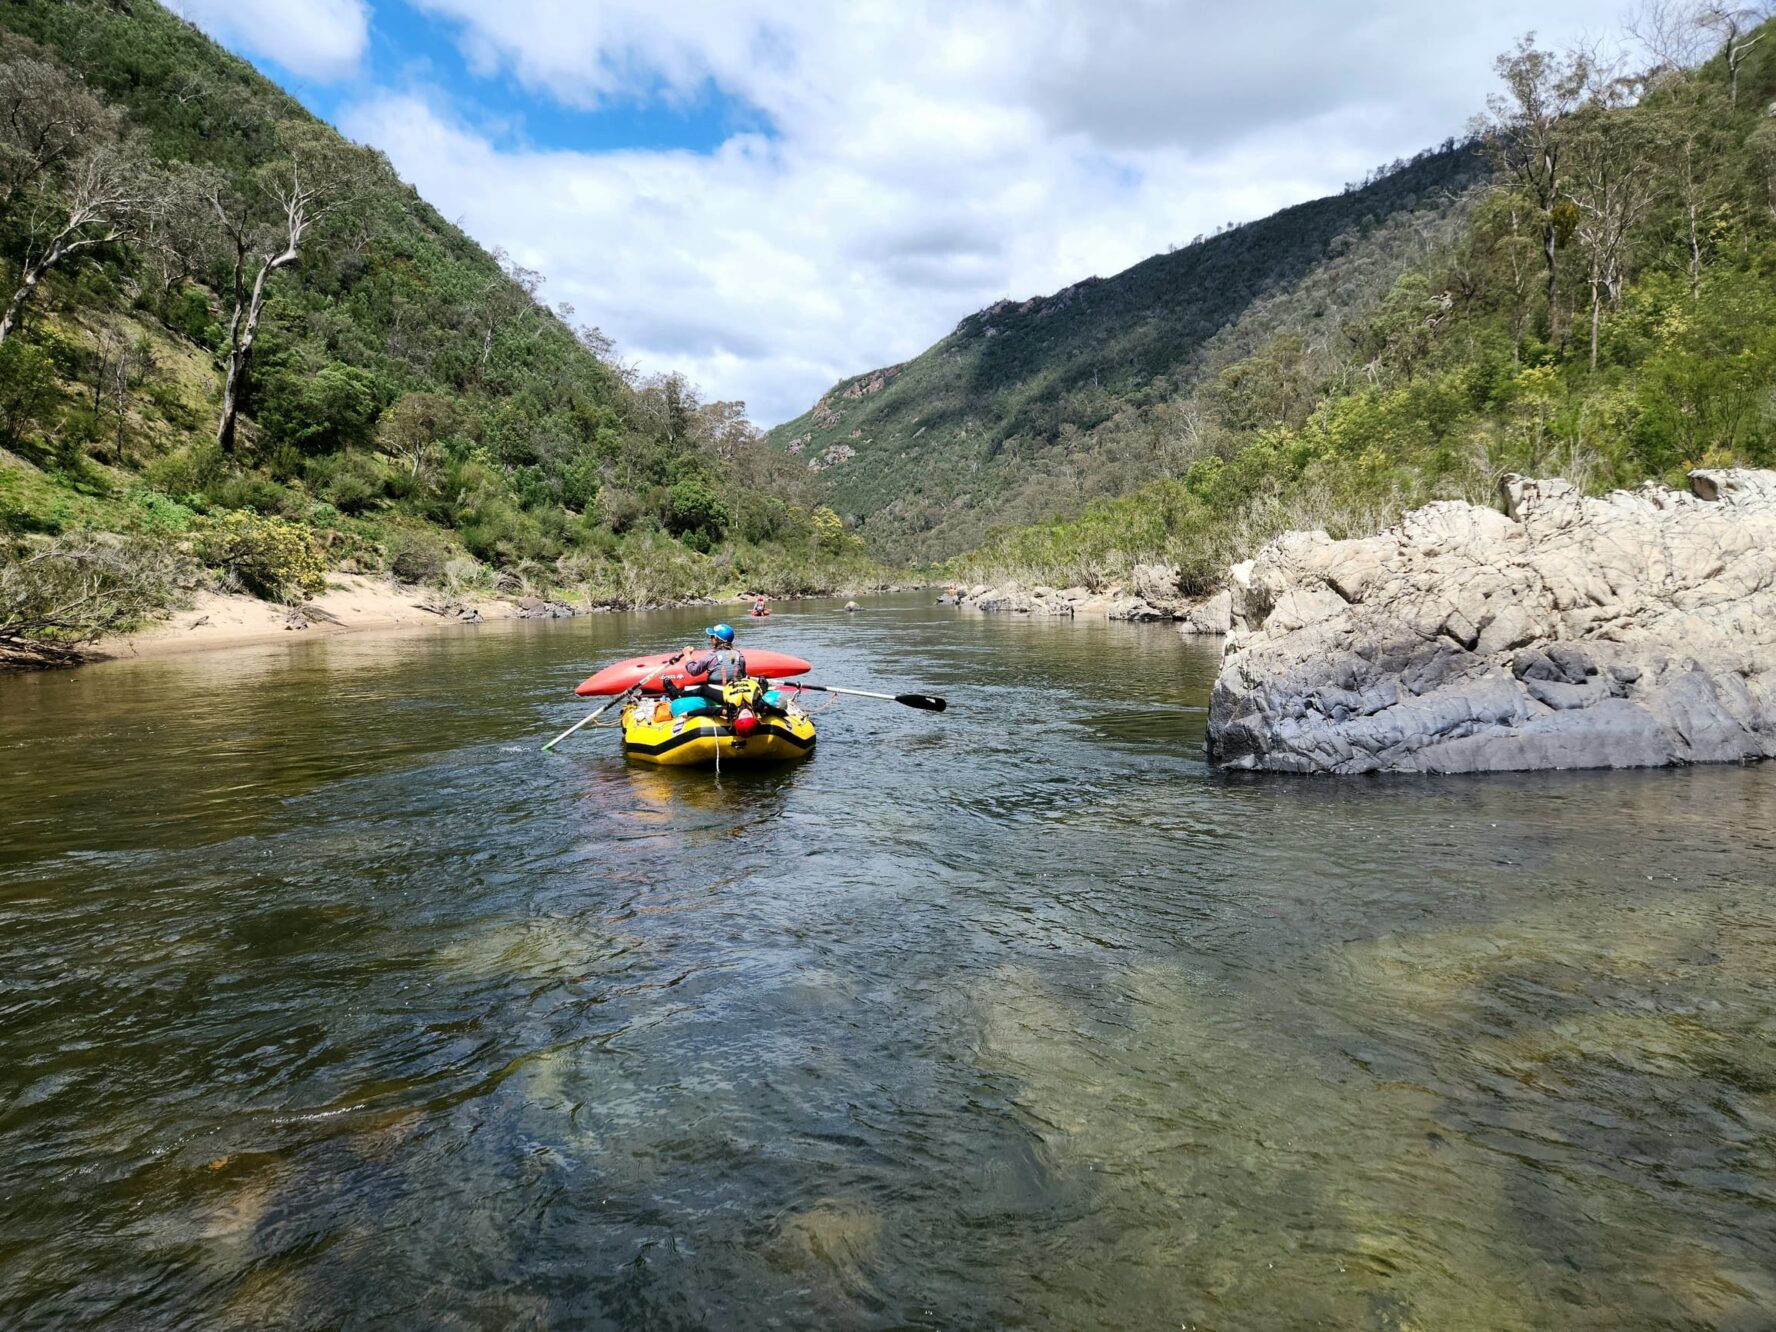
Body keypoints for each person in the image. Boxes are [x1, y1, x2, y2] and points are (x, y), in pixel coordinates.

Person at [670, 623, 747, 705]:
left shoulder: (712, 656)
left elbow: (693, 671)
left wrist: (687, 655)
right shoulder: (740, 656)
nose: (710, 639)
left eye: (712, 637)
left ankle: (677, 694)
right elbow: (742, 675)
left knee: (702, 689)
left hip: (720, 694)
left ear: (716, 639)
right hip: (735, 692)